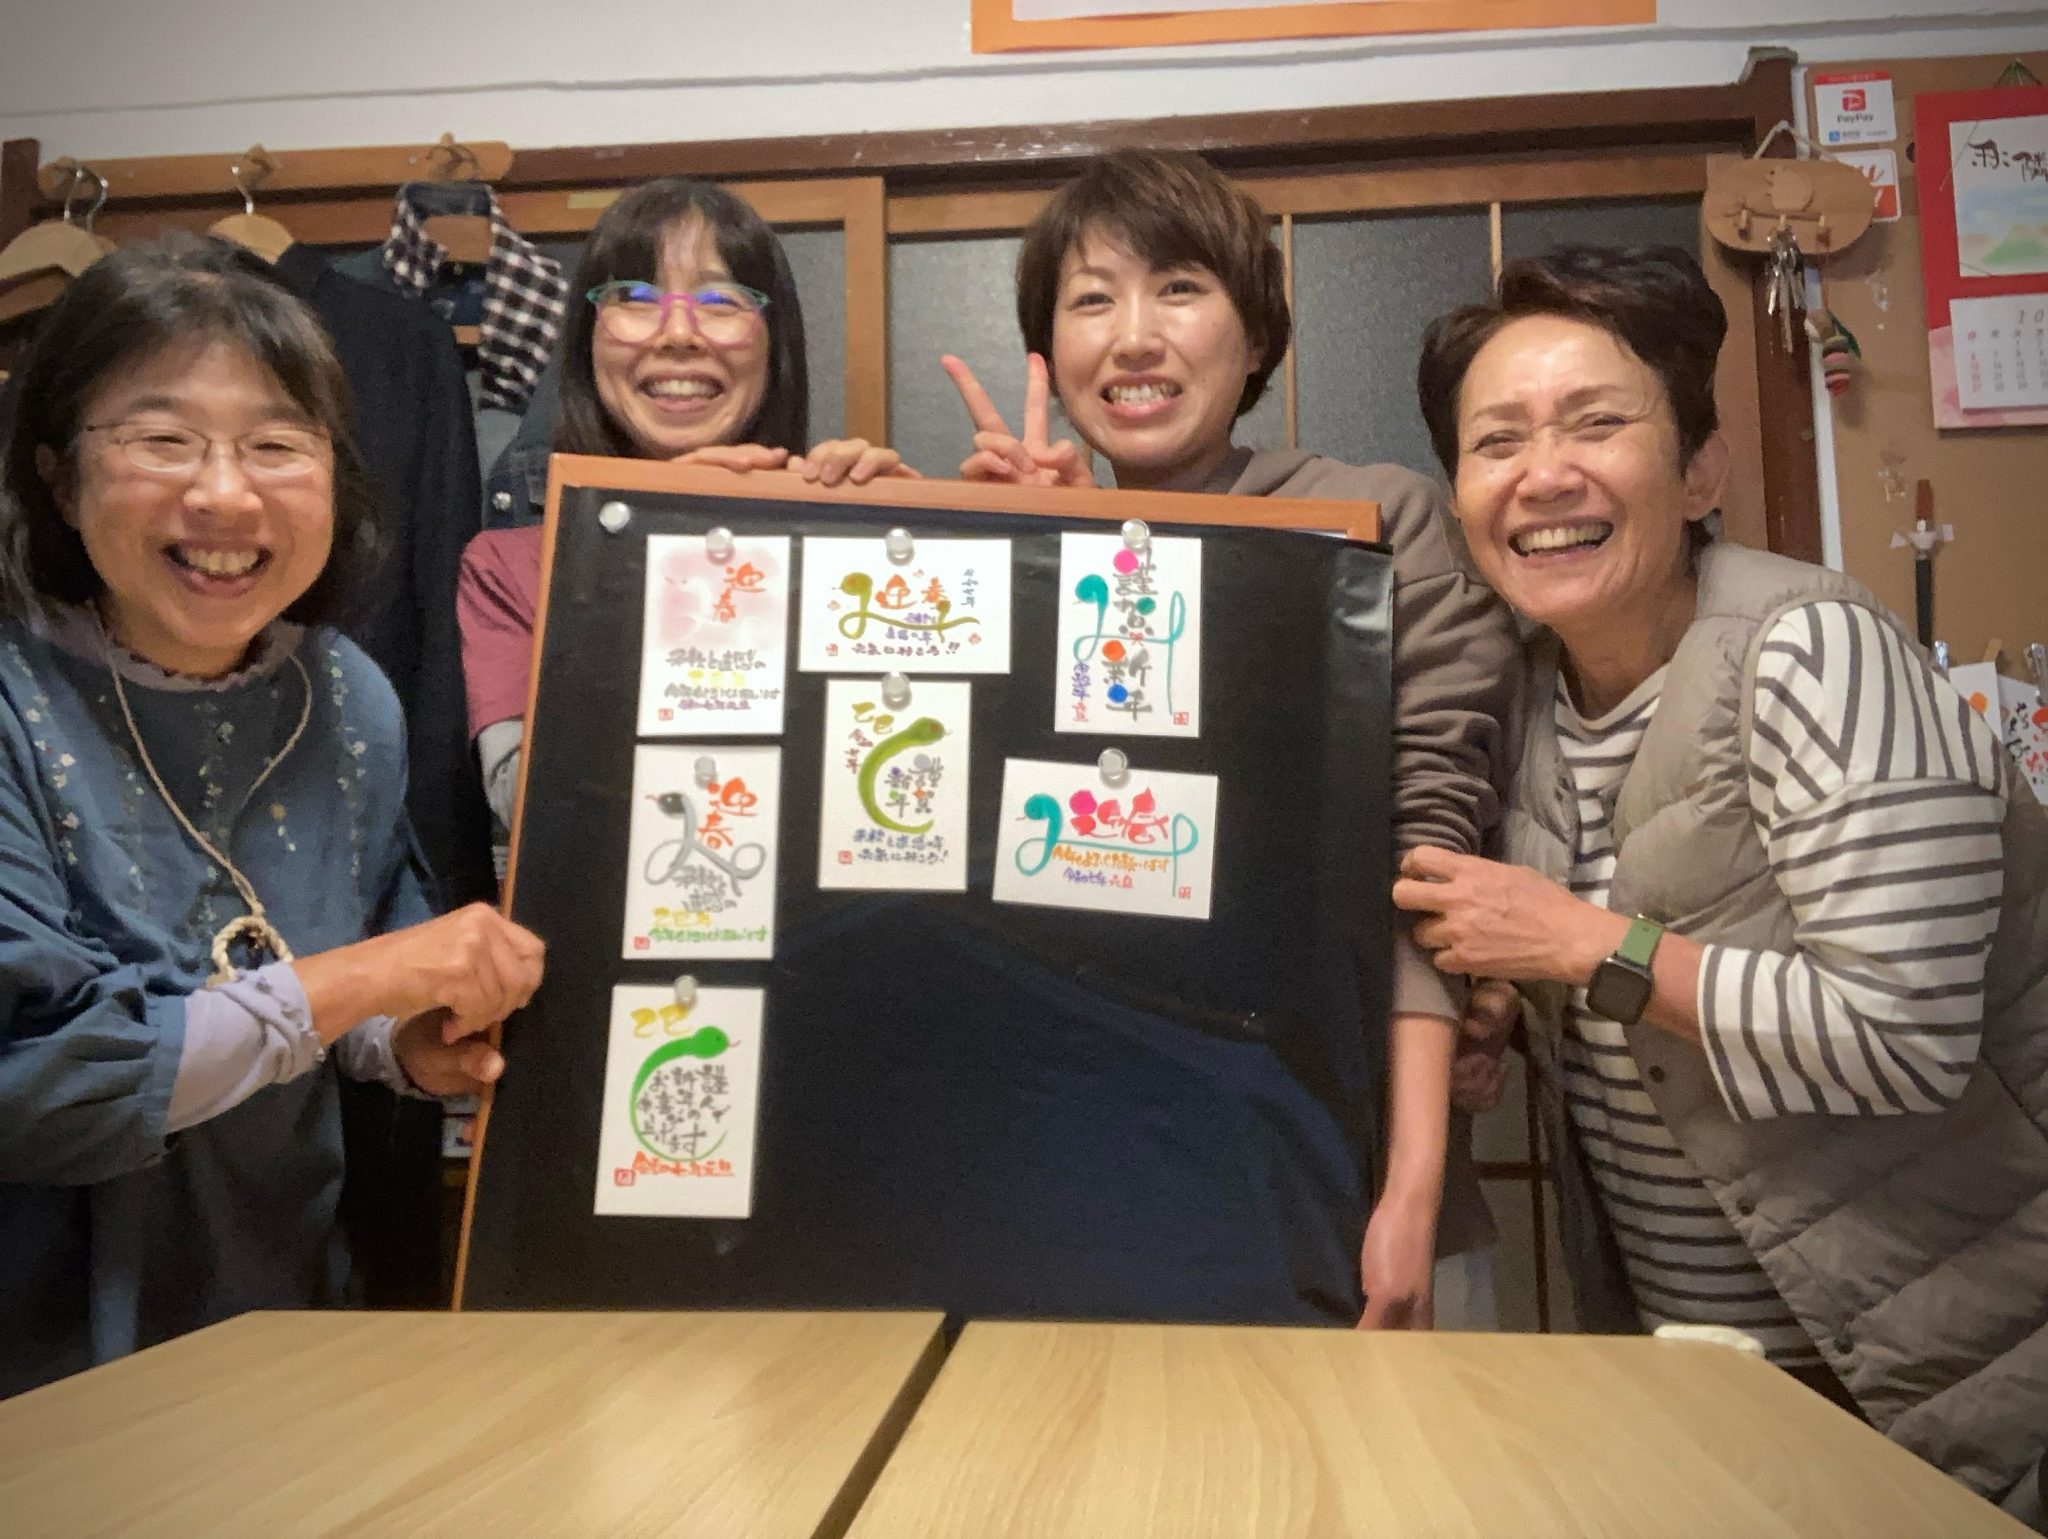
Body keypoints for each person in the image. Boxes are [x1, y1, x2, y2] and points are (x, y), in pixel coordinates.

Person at [1397, 243, 2048, 1521]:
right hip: (1705, 1370)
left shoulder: (1813, 649)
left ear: (1700, 470)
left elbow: (1904, 1036)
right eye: (1496, 441)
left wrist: (1585, 947)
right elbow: (1641, 1020)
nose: (1543, 476)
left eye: (1596, 424)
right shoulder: (1523, 696)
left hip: (1954, 1357)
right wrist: (1507, 1033)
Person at [942, 148, 1519, 1328]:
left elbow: (1422, 856)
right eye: (1093, 298)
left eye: (1180, 288)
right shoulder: (1021, 548)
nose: (1134, 336)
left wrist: (1404, 1193)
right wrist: (1031, 564)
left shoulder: (1367, 522)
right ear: (1051, 348)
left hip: (1350, 1195)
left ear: (1255, 336)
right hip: (1080, 1200)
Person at [0, 234, 545, 1397]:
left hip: (278, 1317)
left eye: (275, 445)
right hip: (39, 1357)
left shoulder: (343, 692)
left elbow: (344, 947)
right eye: (162, 439)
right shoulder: (13, 698)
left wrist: (402, 1042)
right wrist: (365, 983)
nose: (225, 493)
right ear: (57, 471)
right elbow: (42, 1086)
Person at [458, 179, 911, 828]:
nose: (677, 333)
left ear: (773, 343)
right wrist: (659, 544)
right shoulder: (507, 567)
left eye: (720, 299)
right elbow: (531, 807)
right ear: (587, 344)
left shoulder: (841, 542)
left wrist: (923, 553)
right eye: (636, 298)